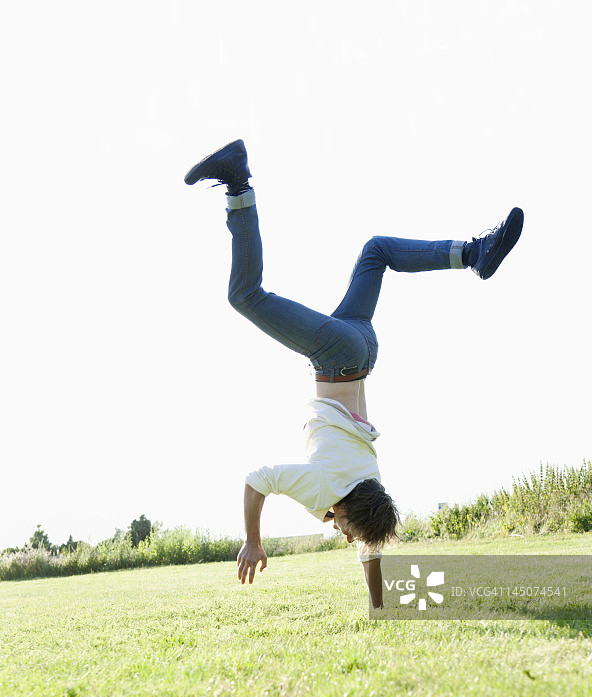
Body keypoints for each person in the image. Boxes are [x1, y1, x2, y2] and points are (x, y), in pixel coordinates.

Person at [184, 140, 524, 608]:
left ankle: (473, 252)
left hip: (362, 345)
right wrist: (253, 539)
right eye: (347, 528)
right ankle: (238, 182)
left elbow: (369, 541)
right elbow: (256, 478)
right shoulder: (325, 489)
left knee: (375, 251)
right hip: (335, 356)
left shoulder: (369, 480)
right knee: (245, 296)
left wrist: (379, 606)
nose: (345, 536)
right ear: (345, 508)